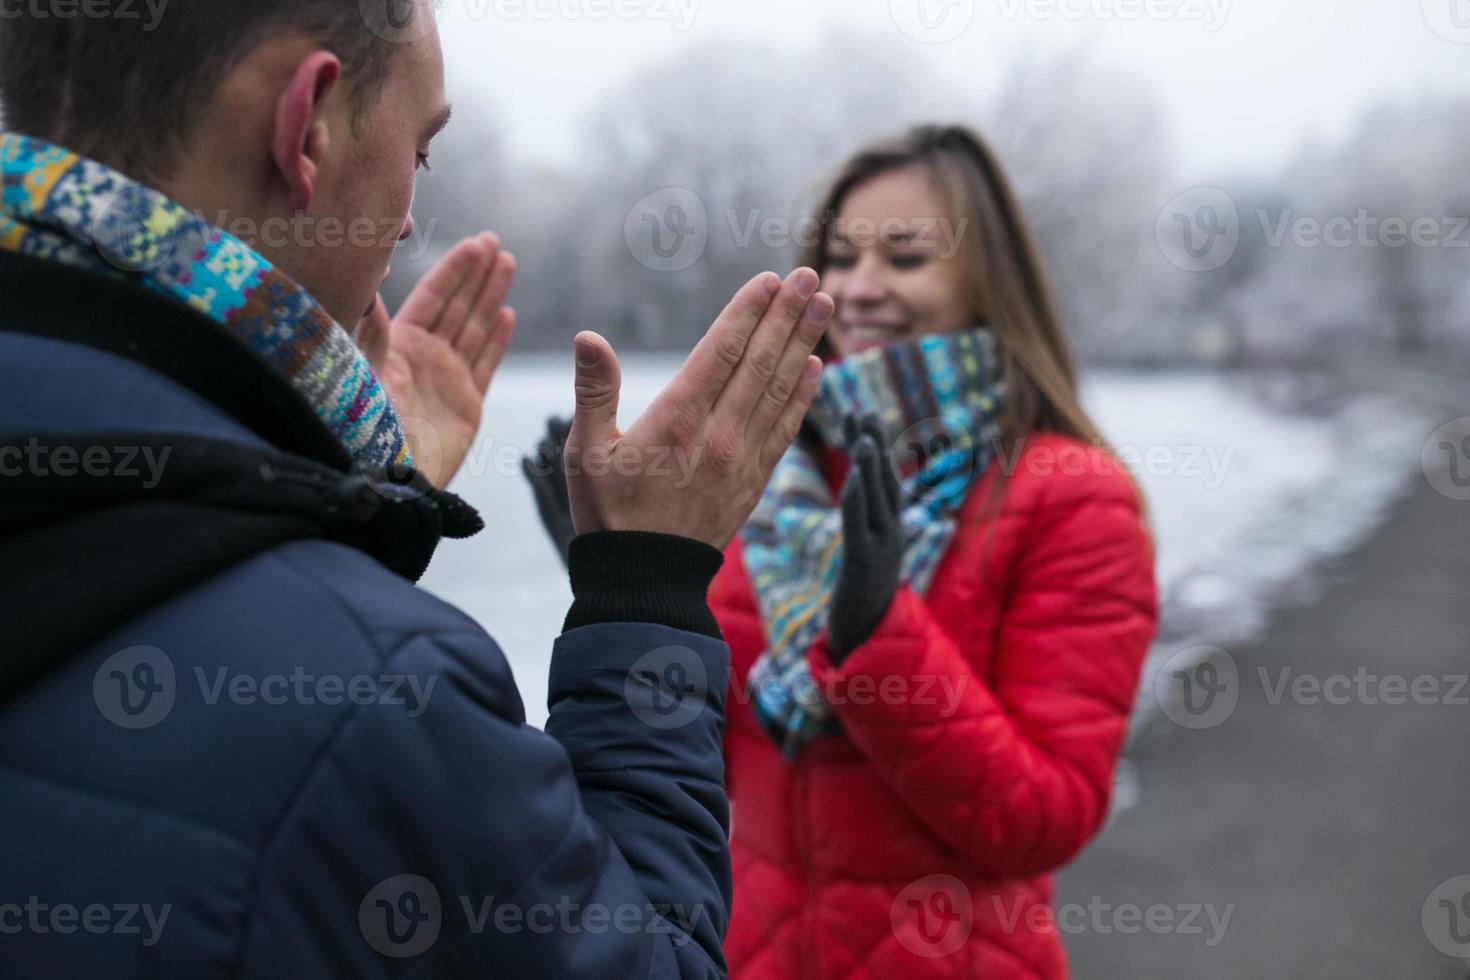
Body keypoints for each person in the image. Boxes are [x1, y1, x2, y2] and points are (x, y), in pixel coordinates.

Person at [0, 2, 835, 976]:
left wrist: (350, 509)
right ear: (305, 124)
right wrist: (644, 587)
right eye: (424, 152)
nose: (405, 217)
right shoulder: (380, 701)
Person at [527, 125, 1160, 978]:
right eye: (840, 256)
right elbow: (690, 767)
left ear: (989, 278)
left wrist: (879, 639)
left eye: (904, 258)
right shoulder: (770, 480)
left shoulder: (1071, 494)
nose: (862, 289)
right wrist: (628, 589)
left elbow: (1046, 817)